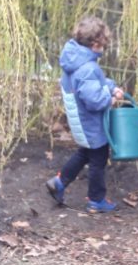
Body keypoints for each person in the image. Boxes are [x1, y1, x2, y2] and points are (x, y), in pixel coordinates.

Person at [46, 16, 125, 213]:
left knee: (84, 153)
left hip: (81, 122)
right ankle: (96, 200)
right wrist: (110, 97)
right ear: (96, 44)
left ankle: (59, 182)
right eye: (102, 45)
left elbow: (93, 83)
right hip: (92, 124)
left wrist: (111, 86)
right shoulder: (88, 68)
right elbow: (94, 99)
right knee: (98, 158)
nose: (103, 49)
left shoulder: (75, 62)